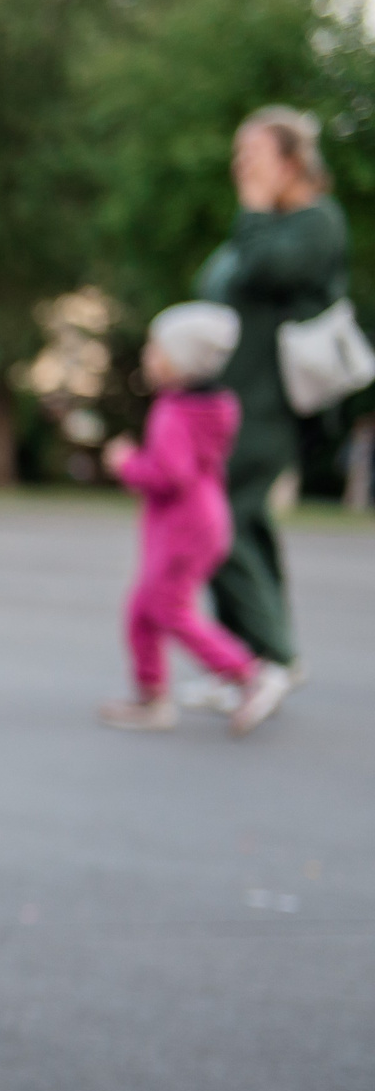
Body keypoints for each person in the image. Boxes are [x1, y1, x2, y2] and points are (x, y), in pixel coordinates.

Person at [192, 104, 345, 698]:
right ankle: (246, 660)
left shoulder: (315, 221)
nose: (240, 167)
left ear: (291, 162)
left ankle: (271, 658)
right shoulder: (262, 222)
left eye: (252, 154)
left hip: (266, 403)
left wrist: (253, 210)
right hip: (228, 400)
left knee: (220, 522)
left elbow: (264, 268)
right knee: (244, 524)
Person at [97, 303, 288, 735]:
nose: (147, 357)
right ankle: (151, 697)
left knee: (167, 608)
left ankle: (250, 675)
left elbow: (169, 474)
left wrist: (126, 463)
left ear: (179, 360)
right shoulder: (211, 407)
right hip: (202, 521)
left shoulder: (173, 414)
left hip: (184, 527)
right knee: (143, 611)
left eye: (154, 349)